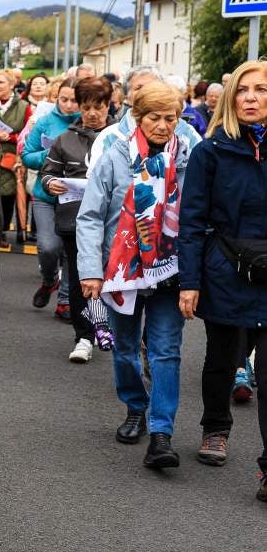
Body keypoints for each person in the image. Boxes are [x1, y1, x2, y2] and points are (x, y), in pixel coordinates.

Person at [77, 82, 193, 469]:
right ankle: (135, 406)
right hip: (122, 271)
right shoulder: (114, 156)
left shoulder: (188, 156)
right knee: (125, 350)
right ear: (138, 117)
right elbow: (91, 216)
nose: (163, 126)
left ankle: (162, 433)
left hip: (170, 270)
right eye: (155, 118)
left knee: (165, 352)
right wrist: (91, 271)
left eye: (171, 118)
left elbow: (196, 216)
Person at [177, 60, 267, 484]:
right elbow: (191, 221)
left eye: (261, 89)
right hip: (226, 269)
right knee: (223, 356)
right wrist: (190, 282)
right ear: (231, 99)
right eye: (243, 90)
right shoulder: (209, 150)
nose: (251, 97)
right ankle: (215, 428)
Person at [40, 76, 115, 363]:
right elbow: (48, 171)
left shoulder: (120, 138)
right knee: (80, 278)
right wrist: (50, 183)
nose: (93, 113)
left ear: (110, 105)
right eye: (87, 107)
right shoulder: (65, 139)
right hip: (75, 221)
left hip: (114, 222)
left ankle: (110, 329)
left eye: (99, 106)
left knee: (112, 279)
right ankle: (83, 336)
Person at [22, 78, 80, 321]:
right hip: (45, 195)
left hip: (75, 196)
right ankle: (49, 280)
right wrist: (53, 153)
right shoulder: (45, 121)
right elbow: (27, 155)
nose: (68, 105)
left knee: (70, 250)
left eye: (74, 100)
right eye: (63, 99)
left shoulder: (86, 124)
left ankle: (65, 300)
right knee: (48, 246)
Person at [0, 70, 32, 241]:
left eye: (1, 82)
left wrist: (10, 137)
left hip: (11, 157)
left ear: (12, 85)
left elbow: (30, 134)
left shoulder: (24, 106)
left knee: (8, 195)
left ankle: (2, 228)